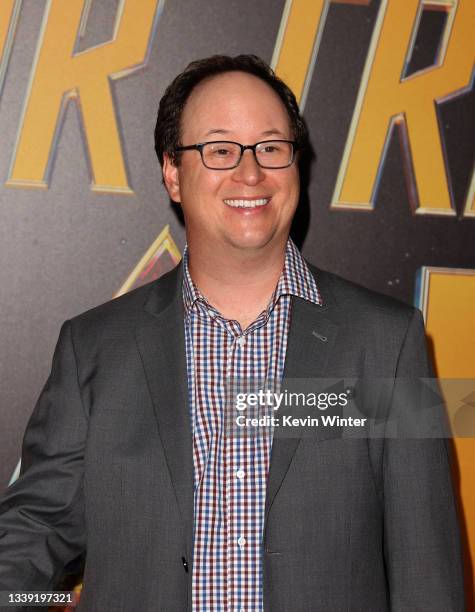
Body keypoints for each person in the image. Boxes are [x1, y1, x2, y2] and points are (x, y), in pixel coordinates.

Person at [0, 55, 465, 611]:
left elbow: (426, 570)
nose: (250, 173)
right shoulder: (95, 349)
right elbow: (34, 535)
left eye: (271, 147)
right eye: (219, 149)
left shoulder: (387, 343)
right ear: (173, 172)